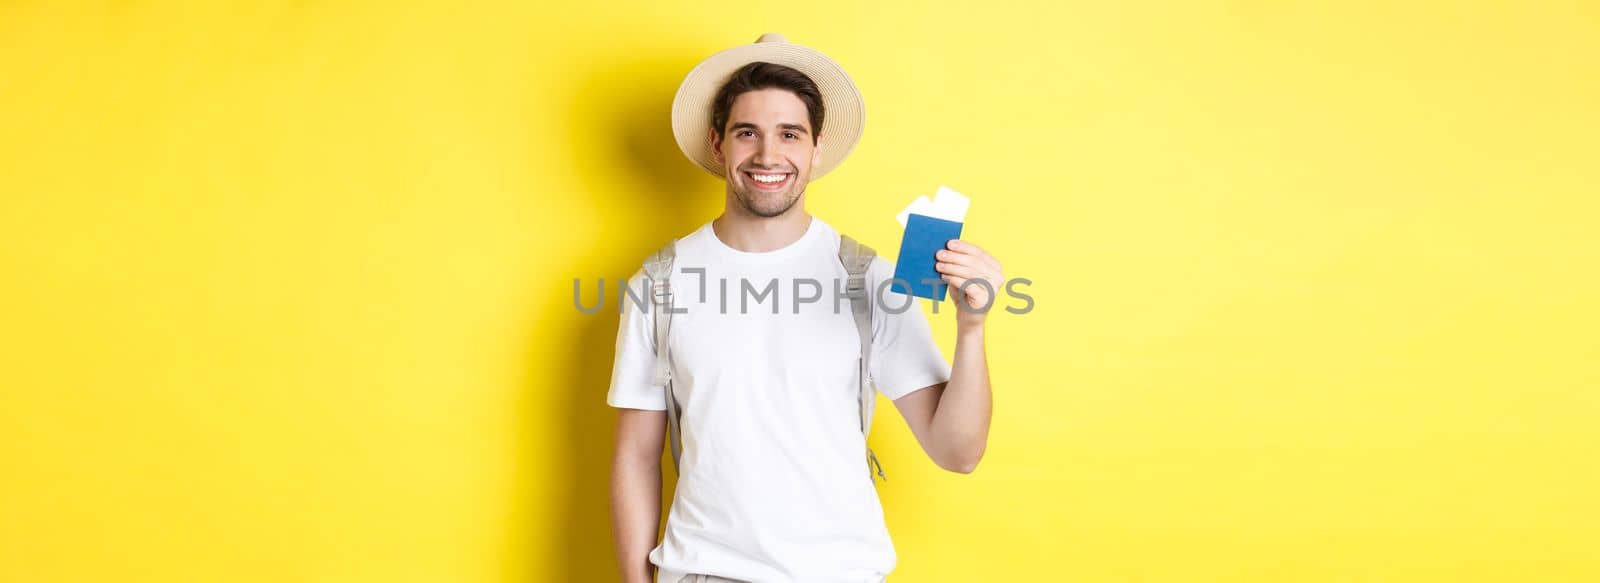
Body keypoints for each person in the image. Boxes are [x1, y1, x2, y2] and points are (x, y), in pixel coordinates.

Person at [607, 33, 1001, 583]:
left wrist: (972, 328)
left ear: (816, 149)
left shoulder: (869, 279)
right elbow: (636, 457)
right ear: (719, 145)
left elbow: (957, 452)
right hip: (703, 573)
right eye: (749, 133)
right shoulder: (660, 283)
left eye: (789, 134)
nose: (769, 155)